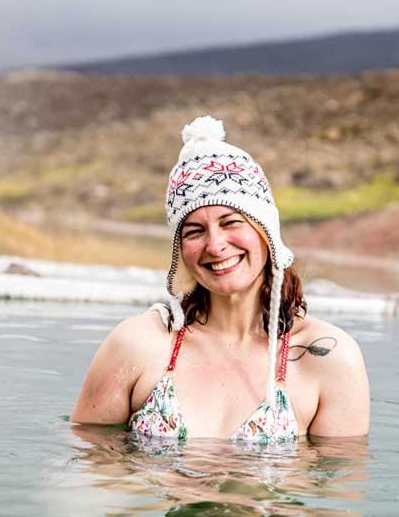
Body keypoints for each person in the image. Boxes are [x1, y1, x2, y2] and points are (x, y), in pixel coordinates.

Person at [71, 116, 369, 442]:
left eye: (230, 222)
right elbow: (88, 466)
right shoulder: (138, 344)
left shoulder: (329, 358)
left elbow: (338, 484)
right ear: (179, 250)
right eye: (195, 231)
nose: (215, 245)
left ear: (265, 230)